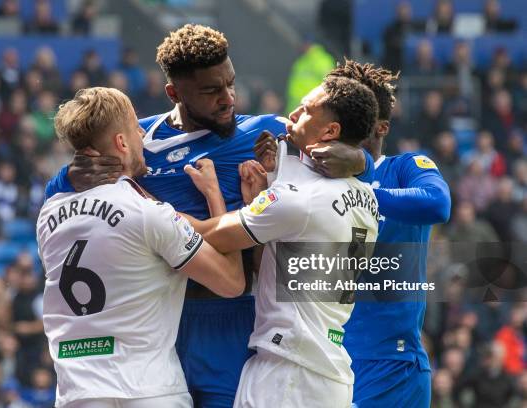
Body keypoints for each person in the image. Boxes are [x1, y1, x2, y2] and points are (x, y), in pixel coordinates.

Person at [43, 24, 375, 408]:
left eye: (230, 84)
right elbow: (64, 204)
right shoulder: (138, 142)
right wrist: (65, 176)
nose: (228, 98)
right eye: (211, 90)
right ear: (175, 93)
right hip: (160, 327)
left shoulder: (263, 132)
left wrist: (360, 159)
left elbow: (342, 172)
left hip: (234, 322)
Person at [257, 59, 451, 407]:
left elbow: (437, 203)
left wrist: (364, 177)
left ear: (380, 128)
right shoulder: (307, 179)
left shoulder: (403, 167)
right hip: (315, 358)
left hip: (390, 363)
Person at [37, 87, 245, 408]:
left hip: (77, 393)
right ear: (121, 142)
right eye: (136, 129)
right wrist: (216, 197)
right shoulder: (149, 214)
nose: (142, 136)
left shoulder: (48, 215)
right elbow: (231, 282)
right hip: (150, 391)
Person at [185, 76, 380, 407]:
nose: (292, 113)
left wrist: (142, 205)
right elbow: (271, 268)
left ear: (330, 132)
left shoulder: (297, 200)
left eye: (306, 111)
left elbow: (211, 236)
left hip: (289, 375)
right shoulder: (367, 199)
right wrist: (260, 200)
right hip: (326, 368)